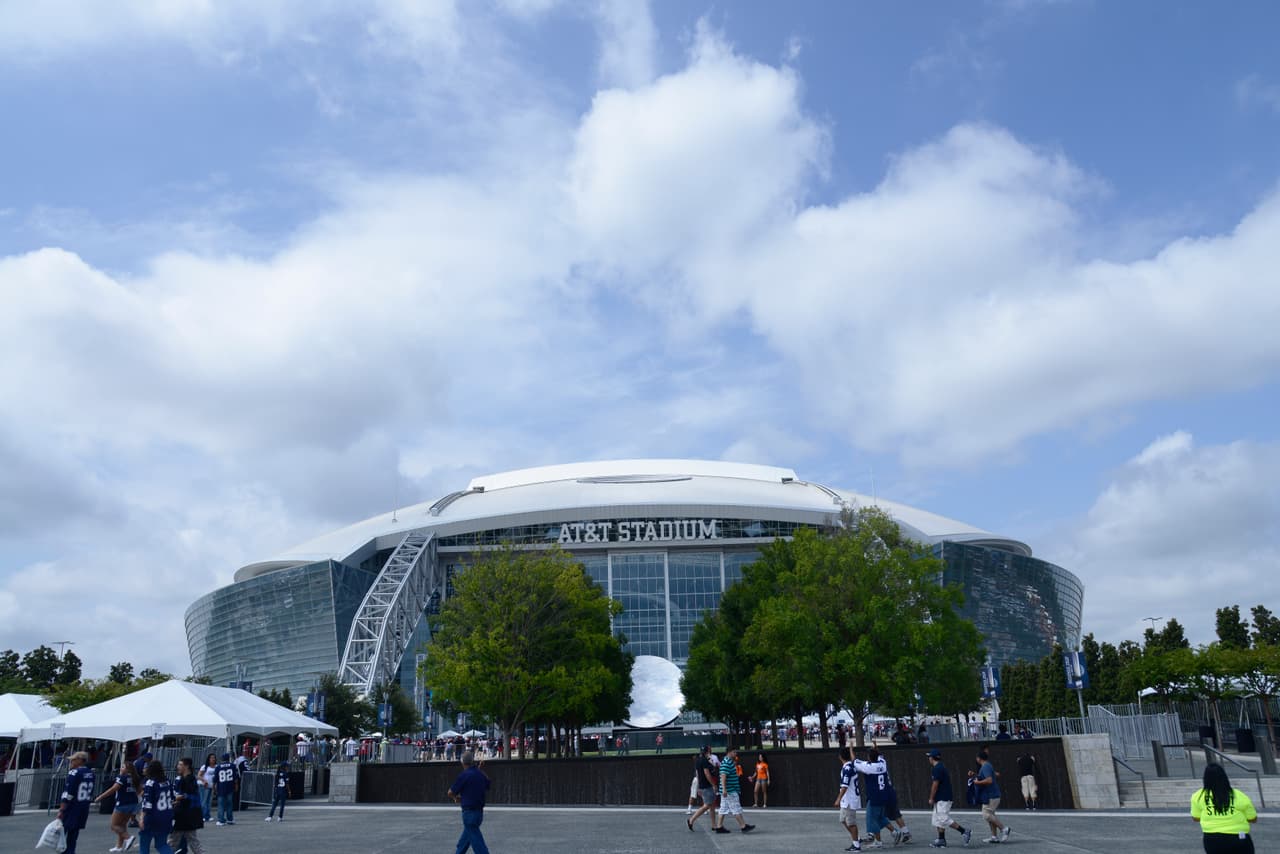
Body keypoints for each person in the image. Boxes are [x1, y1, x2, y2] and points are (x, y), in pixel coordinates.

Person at [1191, 763, 1258, 853]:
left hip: (1212, 839)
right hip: (1238, 837)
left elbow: (1196, 818)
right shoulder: (1238, 795)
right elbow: (1252, 818)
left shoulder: (1198, 796)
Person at [853, 747, 899, 847]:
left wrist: (851, 749)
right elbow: (880, 756)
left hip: (874, 796)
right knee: (880, 817)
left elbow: (854, 761)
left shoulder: (869, 767)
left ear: (869, 757)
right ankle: (894, 832)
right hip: (884, 795)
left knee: (872, 818)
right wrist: (876, 748)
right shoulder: (883, 763)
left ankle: (874, 838)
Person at [926, 749, 972, 849]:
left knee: (943, 818)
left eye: (929, 756)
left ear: (932, 757)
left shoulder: (937, 768)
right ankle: (941, 840)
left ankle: (964, 831)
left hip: (943, 798)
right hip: (943, 797)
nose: (928, 758)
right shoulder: (940, 767)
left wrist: (931, 797)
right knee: (938, 819)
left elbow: (935, 784)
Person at [447, 750, 490, 854]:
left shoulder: (464, 775)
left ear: (462, 762)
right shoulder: (480, 774)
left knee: (478, 843)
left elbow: (450, 792)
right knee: (465, 840)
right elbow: (487, 783)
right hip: (479, 813)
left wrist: (456, 798)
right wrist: (480, 770)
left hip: (468, 813)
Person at [96, 759, 142, 852]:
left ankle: (128, 838)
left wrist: (100, 797)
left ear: (128, 769)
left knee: (114, 825)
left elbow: (114, 789)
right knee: (122, 825)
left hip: (122, 803)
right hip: (133, 803)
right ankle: (119, 846)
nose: (121, 768)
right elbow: (139, 791)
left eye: (123, 767)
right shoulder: (135, 778)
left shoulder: (121, 777)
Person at [57, 750, 96, 854]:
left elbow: (68, 793)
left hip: (72, 807)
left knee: (62, 835)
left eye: (73, 760)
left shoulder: (74, 772)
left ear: (79, 760)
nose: (72, 762)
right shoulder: (91, 773)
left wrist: (62, 808)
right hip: (83, 807)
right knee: (73, 836)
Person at [970, 748, 1010, 843]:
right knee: (991, 816)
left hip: (992, 795)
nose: (976, 759)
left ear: (979, 758)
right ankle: (994, 837)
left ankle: (1004, 829)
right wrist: (974, 775)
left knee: (986, 815)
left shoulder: (986, 766)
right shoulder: (986, 766)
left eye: (977, 757)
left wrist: (978, 782)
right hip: (991, 795)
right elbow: (987, 777)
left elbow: (989, 780)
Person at [139, 759, 176, 854]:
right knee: (161, 844)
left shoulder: (150, 783)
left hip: (153, 817)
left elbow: (147, 804)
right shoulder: (167, 781)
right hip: (167, 815)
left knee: (144, 844)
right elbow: (173, 799)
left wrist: (142, 818)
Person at [715, 747, 755, 834]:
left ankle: (719, 826)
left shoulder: (728, 762)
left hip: (728, 790)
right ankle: (743, 826)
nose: (736, 754)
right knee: (735, 807)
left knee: (723, 808)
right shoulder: (726, 763)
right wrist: (725, 789)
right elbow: (723, 776)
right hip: (730, 790)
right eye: (734, 752)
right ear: (729, 752)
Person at [169, 757, 205, 854]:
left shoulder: (190, 779)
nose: (178, 767)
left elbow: (190, 796)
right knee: (191, 840)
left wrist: (177, 798)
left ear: (187, 766)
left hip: (187, 814)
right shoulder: (183, 779)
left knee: (174, 841)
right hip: (185, 814)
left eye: (180, 765)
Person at [836, 747, 863, 852]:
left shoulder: (847, 769)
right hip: (847, 800)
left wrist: (838, 799)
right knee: (843, 820)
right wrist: (851, 749)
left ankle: (856, 845)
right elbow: (853, 758)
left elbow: (845, 786)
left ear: (840, 757)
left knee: (851, 823)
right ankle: (857, 839)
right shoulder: (851, 766)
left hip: (849, 800)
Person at [687, 746, 719, 831]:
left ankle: (714, 825)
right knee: (707, 805)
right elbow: (707, 774)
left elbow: (698, 774)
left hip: (702, 785)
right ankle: (691, 820)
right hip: (707, 785)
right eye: (709, 751)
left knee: (712, 806)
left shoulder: (698, 760)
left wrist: (699, 786)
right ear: (707, 752)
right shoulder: (704, 760)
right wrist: (714, 785)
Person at [214, 752, 238, 826]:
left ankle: (221, 820)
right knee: (229, 804)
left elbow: (215, 779)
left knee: (221, 804)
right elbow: (235, 778)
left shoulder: (218, 767)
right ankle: (230, 819)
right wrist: (236, 786)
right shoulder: (232, 766)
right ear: (228, 758)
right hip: (230, 787)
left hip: (221, 787)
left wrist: (214, 788)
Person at [196, 754, 217, 822]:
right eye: (211, 758)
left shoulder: (216, 767)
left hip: (211, 786)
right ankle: (202, 816)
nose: (213, 759)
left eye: (214, 758)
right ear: (208, 759)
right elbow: (198, 776)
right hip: (204, 785)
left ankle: (207, 815)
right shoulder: (205, 767)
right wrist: (204, 781)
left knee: (209, 802)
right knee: (204, 801)